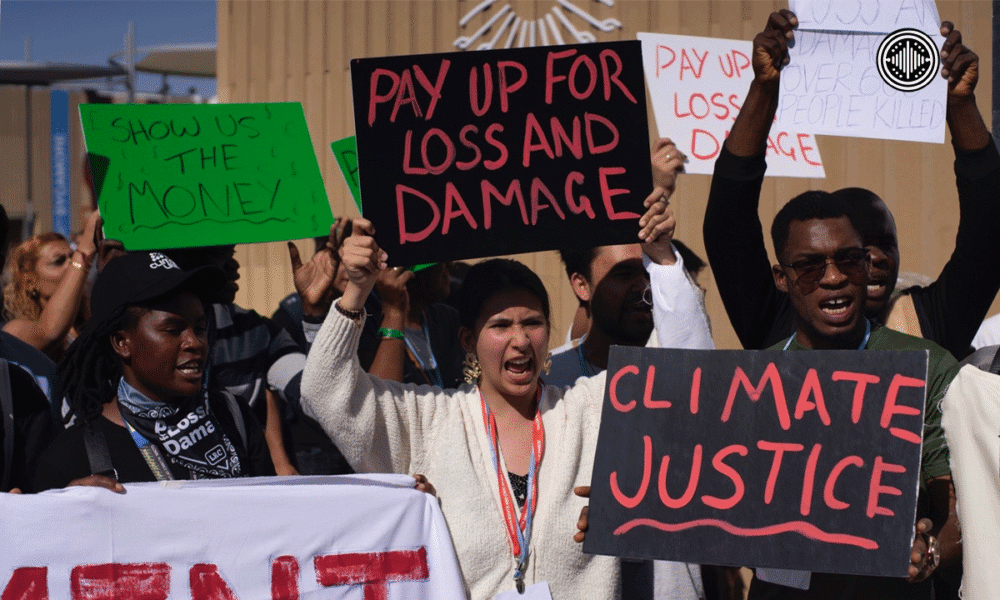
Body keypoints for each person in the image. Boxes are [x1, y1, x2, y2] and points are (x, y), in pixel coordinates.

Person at [301, 192, 676, 599]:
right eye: (500, 325)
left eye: (532, 323)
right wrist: (356, 292)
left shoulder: (589, 410)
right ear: (468, 339)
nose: (520, 340)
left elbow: (682, 369)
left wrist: (665, 262)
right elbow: (324, 391)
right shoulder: (428, 421)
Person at [702, 11, 1000, 359]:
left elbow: (988, 229)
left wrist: (960, 105)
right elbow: (729, 222)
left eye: (883, 245)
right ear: (784, 278)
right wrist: (764, 89)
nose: (875, 259)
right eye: (854, 251)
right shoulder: (779, 322)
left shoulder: (928, 322)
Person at [759, 192, 958, 598]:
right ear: (781, 277)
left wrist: (929, 553)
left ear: (866, 265)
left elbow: (959, 506)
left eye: (849, 259)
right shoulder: (751, 381)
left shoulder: (927, 367)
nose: (834, 278)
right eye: (809, 266)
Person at [32, 251, 276, 491]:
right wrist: (68, 505)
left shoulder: (234, 417)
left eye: (200, 328)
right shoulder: (73, 457)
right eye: (173, 330)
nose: (194, 342)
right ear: (122, 343)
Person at [2, 210, 102, 362]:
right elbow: (49, 333)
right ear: (30, 282)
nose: (71, 265)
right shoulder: (15, 331)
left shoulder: (93, 321)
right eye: (58, 261)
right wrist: (84, 252)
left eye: (72, 256)